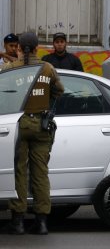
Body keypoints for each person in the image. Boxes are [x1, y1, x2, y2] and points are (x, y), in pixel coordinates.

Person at [4, 32, 64, 235]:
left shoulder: (12, 68)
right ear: (38, 47)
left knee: (19, 173)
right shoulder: (47, 68)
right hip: (42, 125)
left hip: (18, 125)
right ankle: (41, 223)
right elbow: (59, 91)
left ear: (19, 47)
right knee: (40, 174)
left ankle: (18, 221)